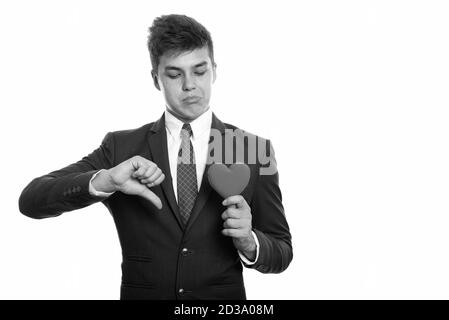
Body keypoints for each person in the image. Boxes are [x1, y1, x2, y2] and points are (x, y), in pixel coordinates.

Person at [18, 14, 292, 300]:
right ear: (155, 78)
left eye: (200, 71)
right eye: (174, 75)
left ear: (215, 70)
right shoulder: (120, 148)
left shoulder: (254, 148)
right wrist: (105, 180)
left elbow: (282, 251)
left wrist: (250, 242)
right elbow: (31, 200)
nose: (189, 85)